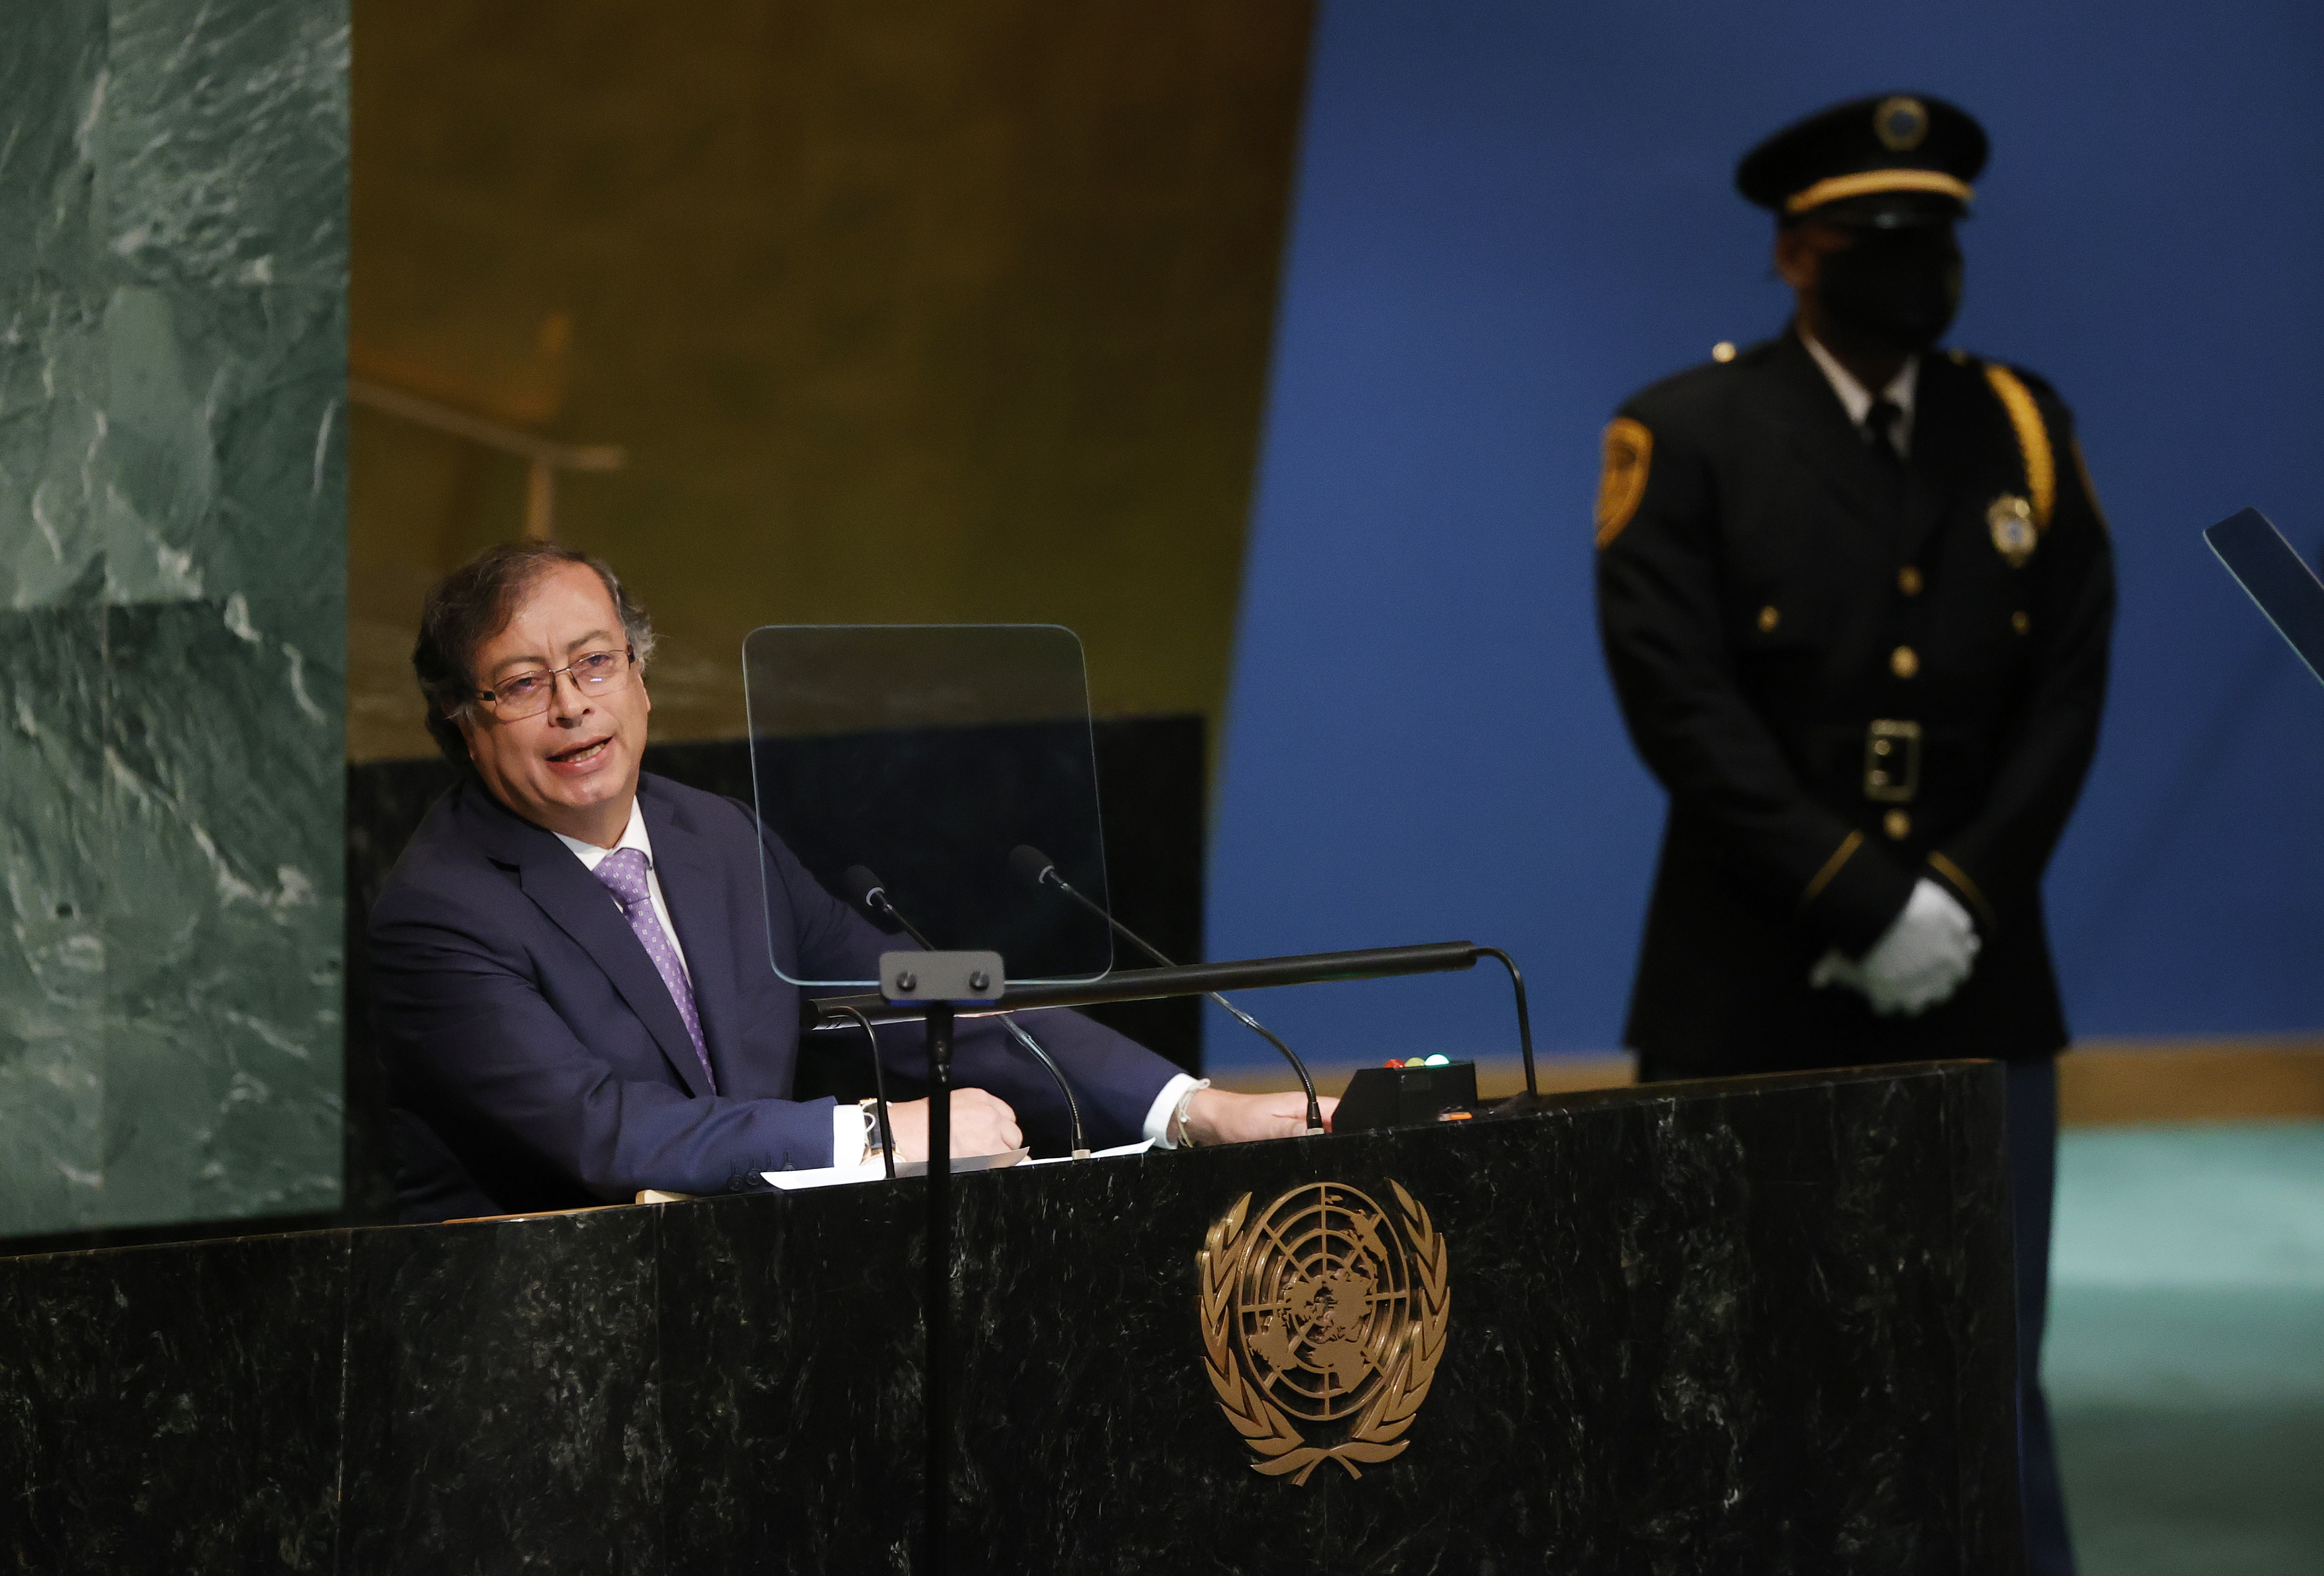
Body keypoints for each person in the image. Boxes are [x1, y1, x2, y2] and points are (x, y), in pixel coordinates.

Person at [1593, 94, 2111, 1576]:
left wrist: (1957, 893)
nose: (1914, 267)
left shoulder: (2018, 426)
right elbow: (1680, 704)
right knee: (1732, 1358)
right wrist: (1863, 898)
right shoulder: (1683, 433)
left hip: (1982, 968)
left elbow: (2069, 686)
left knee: (1982, 1367)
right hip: (1750, 971)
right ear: (1792, 254)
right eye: (1877, 240)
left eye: (1934, 239)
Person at [370, 542, 1325, 1223]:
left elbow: (930, 994)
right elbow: (603, 1130)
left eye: (594, 662)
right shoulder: (442, 908)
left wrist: (1192, 1107)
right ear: (464, 720)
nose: (574, 703)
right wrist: (873, 1137)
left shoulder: (717, 838)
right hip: (531, 1357)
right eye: (525, 682)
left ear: (641, 678)